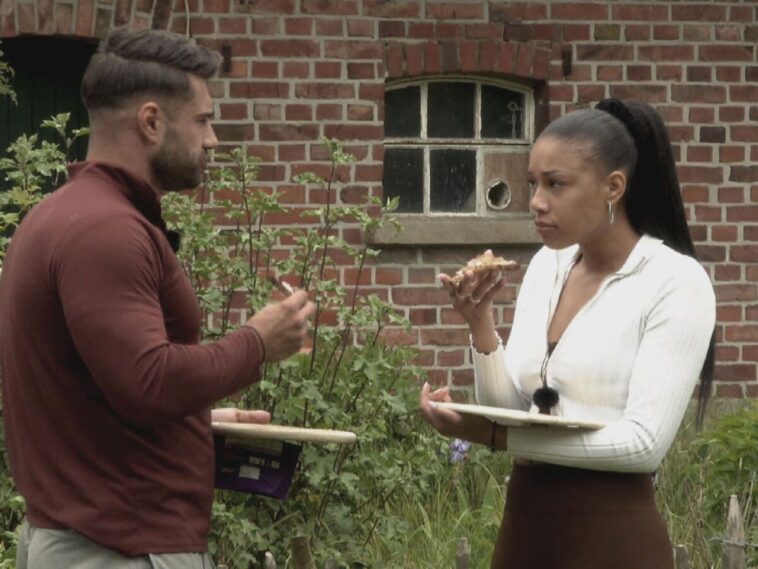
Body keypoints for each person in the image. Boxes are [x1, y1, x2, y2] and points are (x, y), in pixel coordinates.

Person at [0, 27, 315, 568]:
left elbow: (103, 388)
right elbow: (148, 382)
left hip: (89, 541)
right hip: (118, 551)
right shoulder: (107, 231)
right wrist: (257, 342)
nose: (213, 140)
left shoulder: (59, 216)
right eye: (203, 120)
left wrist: (193, 420)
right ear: (151, 121)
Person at [420, 98, 716, 569]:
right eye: (533, 184)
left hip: (612, 536)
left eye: (556, 184)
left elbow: (643, 446)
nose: (537, 201)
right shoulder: (548, 265)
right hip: (525, 526)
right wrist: (481, 326)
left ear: (613, 186)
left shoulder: (674, 282)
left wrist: (495, 437)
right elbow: (513, 412)